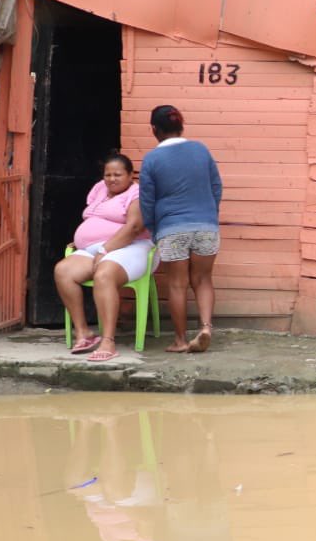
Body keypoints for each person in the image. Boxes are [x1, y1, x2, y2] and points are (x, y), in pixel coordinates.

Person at [139, 105, 224, 354]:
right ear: (181, 125)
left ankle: (180, 340)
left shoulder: (152, 159)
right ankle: (206, 327)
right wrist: (210, 215)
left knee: (177, 284)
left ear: (154, 129)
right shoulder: (200, 150)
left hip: (171, 228)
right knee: (203, 279)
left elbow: (147, 201)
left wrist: (155, 230)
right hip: (206, 226)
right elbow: (216, 187)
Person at [54, 153, 153, 362]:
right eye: (108, 174)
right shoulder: (100, 189)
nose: (111, 179)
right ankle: (84, 333)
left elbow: (134, 227)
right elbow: (93, 217)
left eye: (117, 174)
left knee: (104, 274)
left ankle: (108, 341)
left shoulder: (137, 193)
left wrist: (105, 249)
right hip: (96, 249)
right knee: (63, 271)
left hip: (131, 247)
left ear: (130, 176)